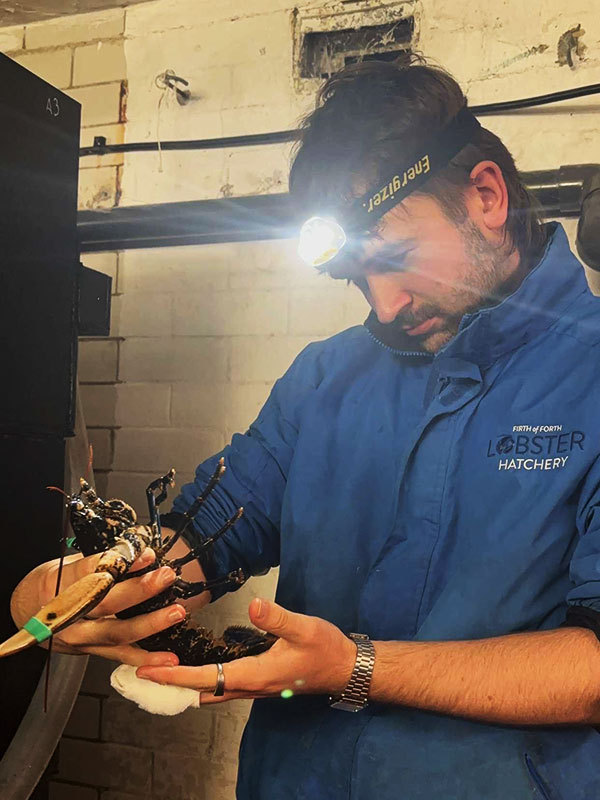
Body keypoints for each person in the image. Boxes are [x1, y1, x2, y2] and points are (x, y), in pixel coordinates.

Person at [10, 56, 600, 799]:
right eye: (357, 279)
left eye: (396, 259)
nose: (384, 306)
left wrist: (355, 668)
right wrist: (54, 601)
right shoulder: (326, 379)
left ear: (485, 195)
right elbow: (199, 541)